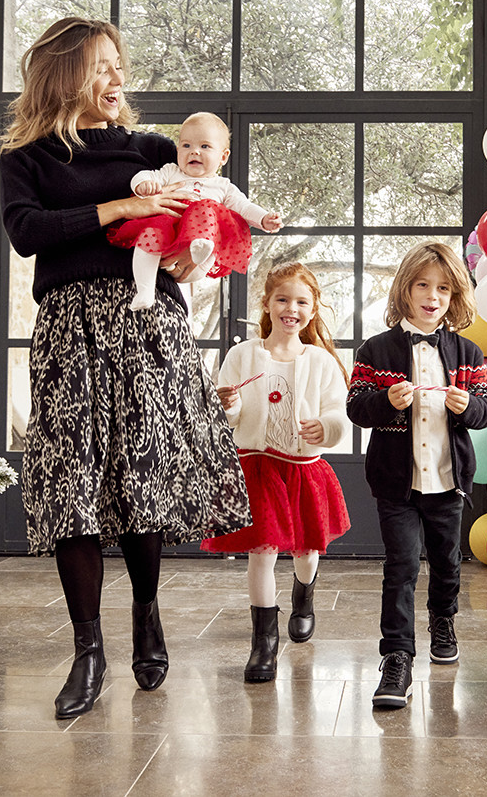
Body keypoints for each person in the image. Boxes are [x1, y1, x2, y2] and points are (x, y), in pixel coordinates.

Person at [0, 17, 252, 719]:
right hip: (67, 328)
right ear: (65, 75)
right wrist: (122, 206)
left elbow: (210, 210)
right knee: (71, 482)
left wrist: (191, 260)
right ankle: (87, 651)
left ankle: (145, 611)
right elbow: (27, 233)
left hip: (148, 327)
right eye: (102, 67)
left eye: (119, 65)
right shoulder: (26, 156)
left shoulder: (151, 146)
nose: (118, 80)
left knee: (139, 475)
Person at [347, 241, 487, 708]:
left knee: (448, 564)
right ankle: (396, 658)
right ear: (406, 290)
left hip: (448, 483)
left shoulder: (468, 351)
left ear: (455, 297)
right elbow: (356, 407)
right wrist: (384, 401)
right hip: (396, 483)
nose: (433, 297)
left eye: (444, 289)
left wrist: (468, 406)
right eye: (423, 286)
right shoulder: (376, 349)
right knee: (402, 567)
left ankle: (443, 620)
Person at [201, 262, 351, 682]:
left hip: (303, 469)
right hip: (259, 467)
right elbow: (226, 415)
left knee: (305, 551)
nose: (291, 308)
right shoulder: (242, 355)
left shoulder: (321, 362)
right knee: (261, 553)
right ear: (266, 304)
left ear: (313, 308)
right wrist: (227, 403)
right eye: (282, 299)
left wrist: (327, 427)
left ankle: (304, 597)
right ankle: (263, 644)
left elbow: (336, 412)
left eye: (301, 301)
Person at [108, 111, 282, 310]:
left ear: (223, 156)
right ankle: (145, 291)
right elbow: (146, 175)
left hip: (200, 249)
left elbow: (244, 207)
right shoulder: (171, 171)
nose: (194, 151)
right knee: (148, 236)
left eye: (205, 146)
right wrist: (143, 184)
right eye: (186, 145)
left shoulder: (223, 186)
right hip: (169, 232)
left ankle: (201, 247)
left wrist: (263, 218)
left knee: (206, 209)